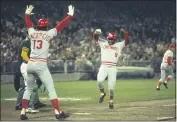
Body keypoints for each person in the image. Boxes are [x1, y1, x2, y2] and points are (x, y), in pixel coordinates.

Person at [20, 5, 74, 120]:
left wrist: (27, 15)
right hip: (40, 65)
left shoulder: (32, 33)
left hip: (30, 64)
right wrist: (69, 16)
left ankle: (23, 112)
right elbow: (60, 26)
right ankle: (58, 112)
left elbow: (28, 24)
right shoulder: (48, 34)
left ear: (38, 26)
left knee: (28, 89)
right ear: (46, 26)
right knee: (51, 89)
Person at [93, 28, 129, 109]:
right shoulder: (103, 43)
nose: (109, 40)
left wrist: (125, 34)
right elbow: (95, 38)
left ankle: (111, 100)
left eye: (111, 39)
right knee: (99, 81)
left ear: (114, 39)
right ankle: (102, 93)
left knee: (111, 87)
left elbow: (127, 42)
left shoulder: (119, 45)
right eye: (108, 39)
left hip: (112, 67)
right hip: (103, 66)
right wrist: (96, 33)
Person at [15, 31, 46, 112]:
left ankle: (29, 105)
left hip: (27, 65)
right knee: (29, 86)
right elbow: (24, 55)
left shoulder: (31, 42)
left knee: (30, 87)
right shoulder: (26, 42)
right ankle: (26, 105)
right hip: (25, 66)